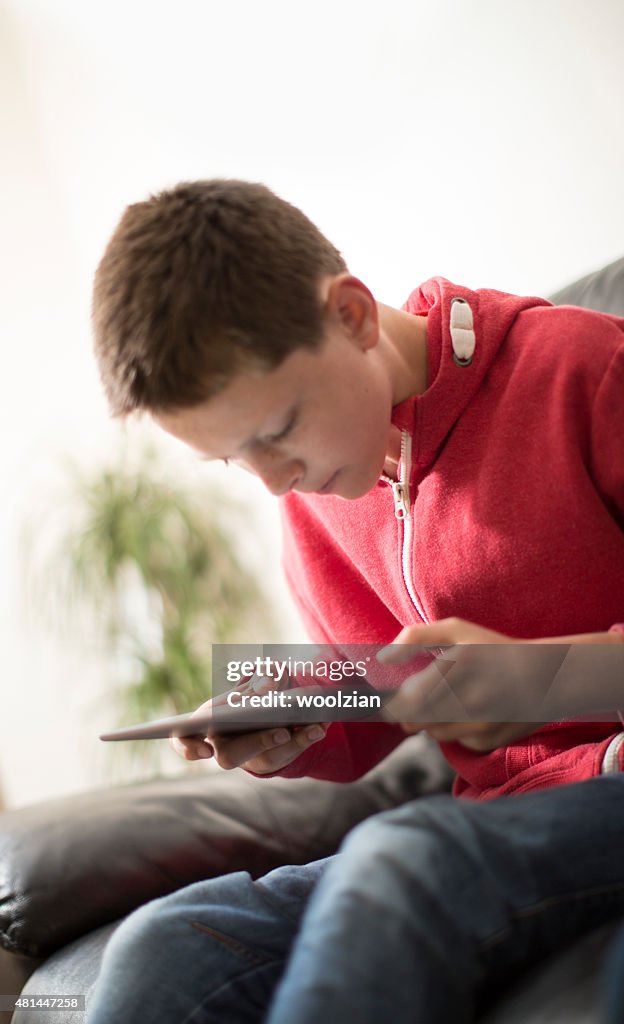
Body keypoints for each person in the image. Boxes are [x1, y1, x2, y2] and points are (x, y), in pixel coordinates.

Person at [86, 179, 624, 1023]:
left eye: (276, 431)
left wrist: (543, 681)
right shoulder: (320, 494)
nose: (274, 484)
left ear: (352, 316)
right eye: (234, 460)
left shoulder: (585, 368)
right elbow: (380, 693)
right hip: (504, 820)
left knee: (398, 859)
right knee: (172, 941)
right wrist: (291, 730)